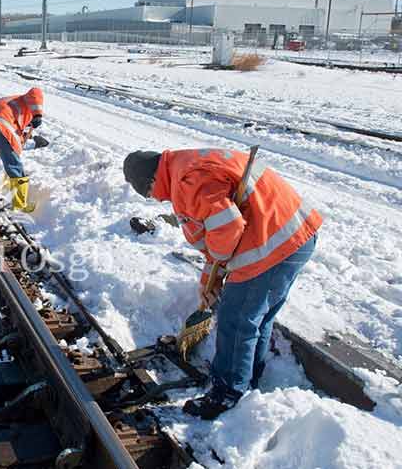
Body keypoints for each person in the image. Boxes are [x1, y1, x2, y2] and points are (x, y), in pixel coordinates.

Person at [123, 148, 322, 419]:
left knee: (236, 319)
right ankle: (248, 375)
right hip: (296, 235)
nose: (158, 200)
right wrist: (209, 279)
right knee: (257, 318)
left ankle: (226, 392)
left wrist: (217, 267)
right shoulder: (186, 164)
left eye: (150, 194)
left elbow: (227, 228)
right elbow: (214, 237)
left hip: (270, 245)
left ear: (151, 181)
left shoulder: (186, 181)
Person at [0, 88, 44, 213]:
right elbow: (36, 92)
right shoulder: (27, 100)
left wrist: (2, 148)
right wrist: (38, 114)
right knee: (14, 165)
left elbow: (1, 141)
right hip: (1, 122)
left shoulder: (13, 103)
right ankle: (19, 205)